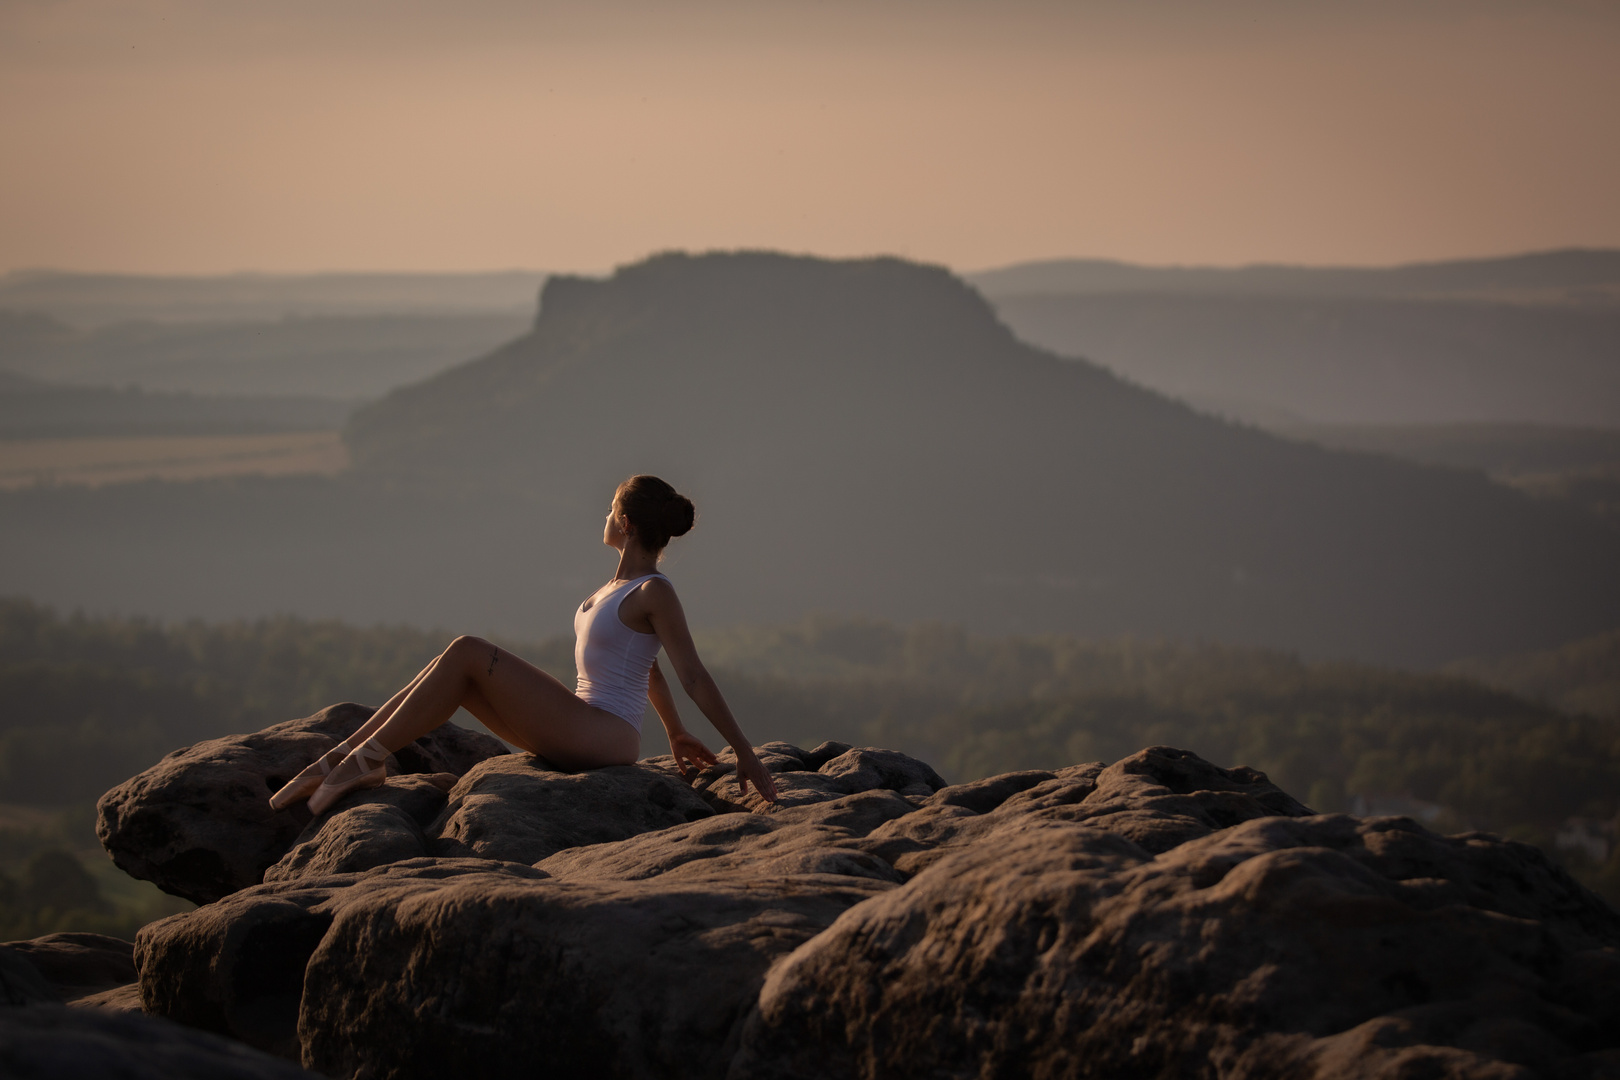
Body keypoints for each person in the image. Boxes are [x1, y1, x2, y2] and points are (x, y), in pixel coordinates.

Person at [270, 475, 779, 815]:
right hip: (586, 725)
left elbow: (692, 674)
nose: (603, 517)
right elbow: (647, 669)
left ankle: (366, 759)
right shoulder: (614, 591)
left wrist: (743, 751)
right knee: (458, 678)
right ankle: (343, 757)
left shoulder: (653, 591)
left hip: (602, 734)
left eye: (610, 510)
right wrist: (674, 732)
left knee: (468, 649)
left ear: (625, 525)